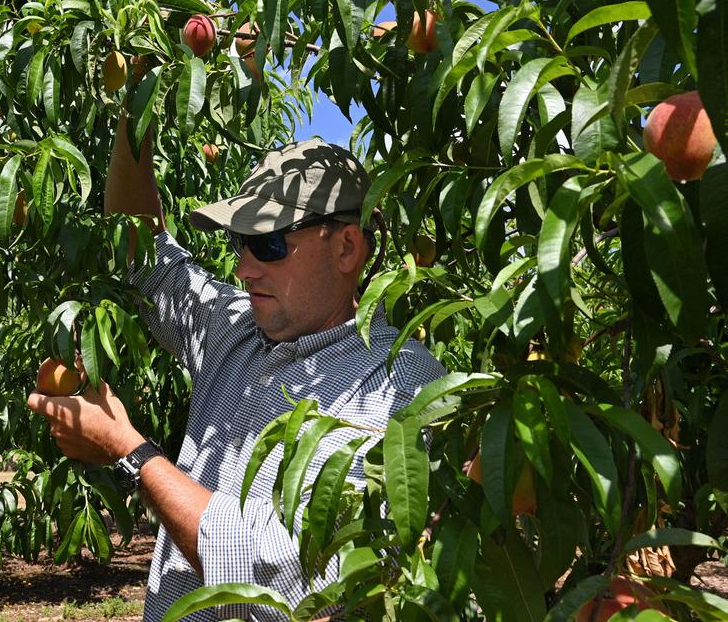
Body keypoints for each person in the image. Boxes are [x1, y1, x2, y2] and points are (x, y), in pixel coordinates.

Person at [27, 117, 446, 622]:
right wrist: (135, 101)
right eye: (240, 243)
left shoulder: (401, 389)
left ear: (346, 247)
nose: (245, 269)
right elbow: (140, 248)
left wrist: (130, 452)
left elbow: (281, 572)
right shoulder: (234, 329)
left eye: (269, 244)